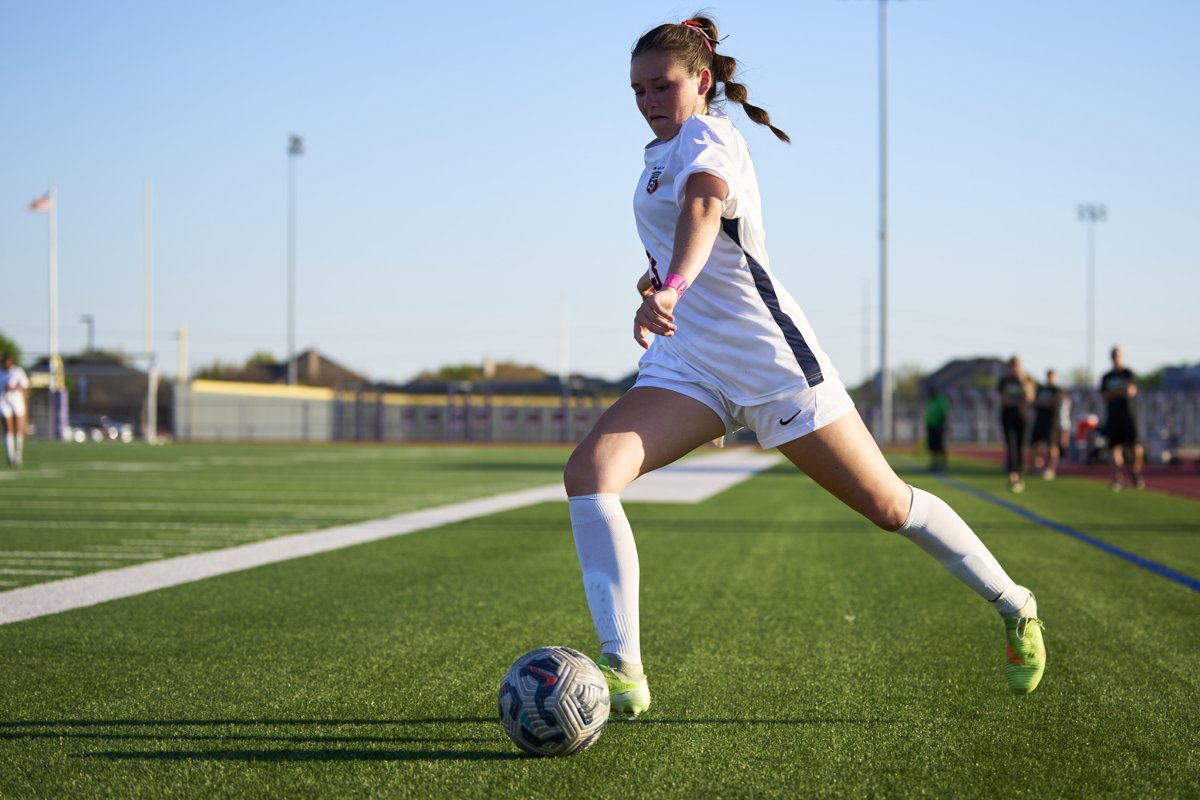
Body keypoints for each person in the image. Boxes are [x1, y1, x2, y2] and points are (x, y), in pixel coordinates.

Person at [563, 14, 1046, 720]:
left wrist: (671, 288)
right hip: (689, 367)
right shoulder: (656, 155)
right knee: (589, 475)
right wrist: (654, 289)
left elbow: (703, 210)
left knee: (889, 506)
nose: (647, 100)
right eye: (636, 90)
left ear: (700, 80)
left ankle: (1016, 604)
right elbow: (681, 243)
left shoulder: (711, 136)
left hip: (771, 364)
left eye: (660, 86)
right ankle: (624, 670)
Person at [1100, 345, 1144, 490]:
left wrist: (1115, 392)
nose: (1116, 357)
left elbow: (1130, 391)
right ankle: (1118, 477)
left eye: (1118, 354)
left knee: (1135, 446)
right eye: (1113, 354)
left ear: (1122, 356)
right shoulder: (1107, 377)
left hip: (1128, 415)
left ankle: (1135, 473)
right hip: (1113, 416)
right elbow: (1104, 396)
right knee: (1114, 447)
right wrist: (1120, 391)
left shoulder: (1128, 373)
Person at [996, 356, 1034, 492]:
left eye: (1017, 365)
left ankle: (1020, 473)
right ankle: (1013, 475)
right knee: (1011, 445)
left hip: (1023, 417)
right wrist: (1018, 401)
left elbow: (1030, 396)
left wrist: (1022, 380)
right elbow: (1003, 399)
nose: (1014, 367)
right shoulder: (1004, 380)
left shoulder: (1027, 379)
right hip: (1008, 416)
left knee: (1021, 446)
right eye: (1012, 365)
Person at [1030, 369, 1068, 479]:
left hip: (1052, 422)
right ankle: (1034, 468)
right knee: (1034, 444)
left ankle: (1051, 469)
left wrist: (1042, 402)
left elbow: (1052, 402)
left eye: (1052, 377)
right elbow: (1034, 401)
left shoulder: (1057, 390)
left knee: (1052, 446)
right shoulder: (1041, 389)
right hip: (1040, 420)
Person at [1, 354, 30, 467]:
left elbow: (26, 386)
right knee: (8, 428)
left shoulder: (17, 372)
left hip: (16, 402)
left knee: (17, 428)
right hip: (3, 402)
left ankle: (18, 455)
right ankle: (10, 455)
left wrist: (14, 388)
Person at [924, 384, 949, 473]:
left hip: (938, 426)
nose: (930, 393)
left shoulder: (940, 400)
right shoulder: (930, 401)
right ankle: (934, 464)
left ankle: (943, 464)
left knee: (940, 446)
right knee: (932, 447)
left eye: (931, 391)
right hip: (931, 427)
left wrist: (941, 425)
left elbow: (943, 413)